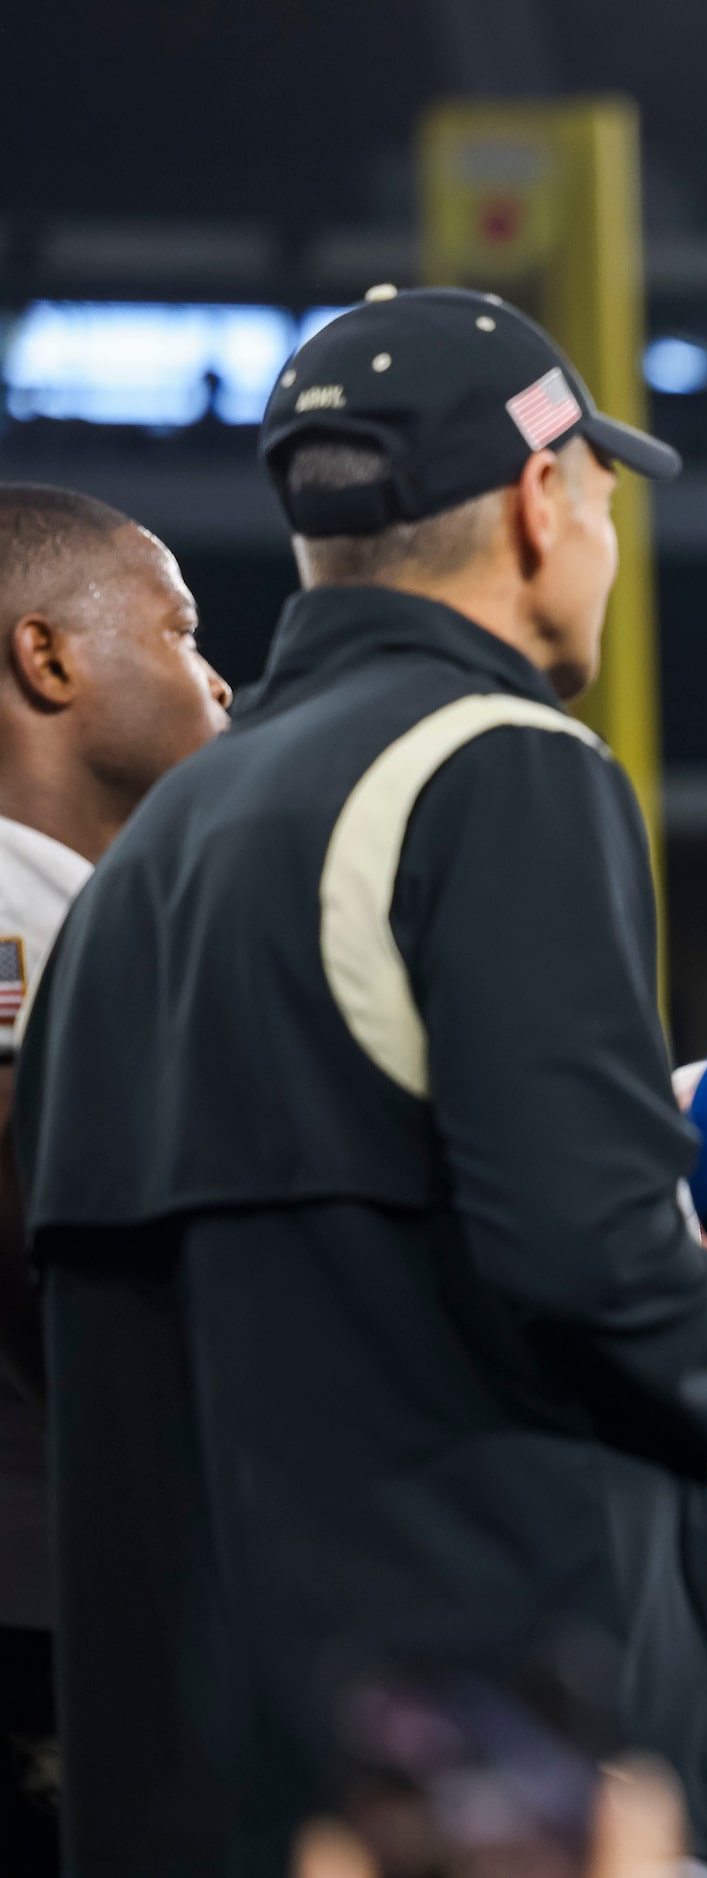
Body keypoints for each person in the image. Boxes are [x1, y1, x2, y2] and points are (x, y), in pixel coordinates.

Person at [17, 287, 707, 1875]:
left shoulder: (141, 858)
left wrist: (659, 1515)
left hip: (180, 1774)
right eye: (604, 498)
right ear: (544, 502)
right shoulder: (497, 762)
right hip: (469, 1782)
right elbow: (582, 1247)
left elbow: (141, 1330)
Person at [0, 484, 231, 1870]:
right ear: (49, 658)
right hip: (49, 1638)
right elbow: (35, 1251)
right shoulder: (13, 909)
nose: (216, 672)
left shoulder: (98, 918)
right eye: (180, 626)